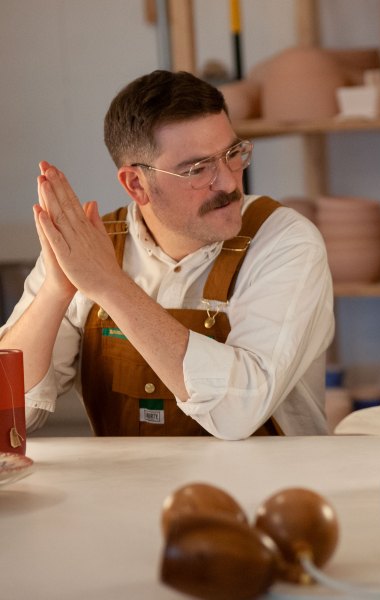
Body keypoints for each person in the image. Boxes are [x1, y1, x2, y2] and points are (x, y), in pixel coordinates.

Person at [0, 70, 334, 439]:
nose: (228, 182)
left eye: (232, 154)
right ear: (136, 184)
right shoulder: (87, 250)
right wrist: (56, 289)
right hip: (129, 478)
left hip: (269, 477)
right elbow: (10, 413)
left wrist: (110, 286)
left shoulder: (286, 243)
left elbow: (240, 412)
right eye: (198, 169)